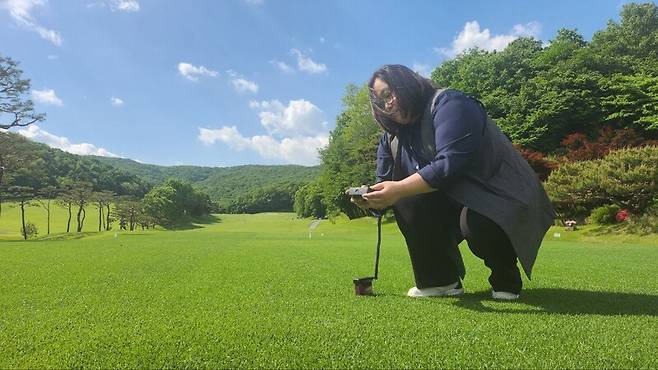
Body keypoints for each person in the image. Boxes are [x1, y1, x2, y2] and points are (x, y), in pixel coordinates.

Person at [351, 64, 556, 300]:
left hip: (498, 194)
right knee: (406, 198)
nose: (387, 104)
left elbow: (450, 165)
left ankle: (506, 278)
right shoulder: (391, 139)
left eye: (388, 94)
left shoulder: (450, 104)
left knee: (476, 221)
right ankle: (439, 281)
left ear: (406, 83)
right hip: (449, 201)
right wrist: (374, 200)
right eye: (379, 100)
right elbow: (386, 182)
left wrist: (397, 189)